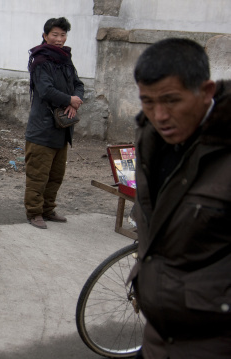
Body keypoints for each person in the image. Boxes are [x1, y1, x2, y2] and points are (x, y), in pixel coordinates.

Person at [130, 38, 231, 358]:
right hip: (159, 335)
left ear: (206, 91)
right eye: (147, 102)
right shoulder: (149, 139)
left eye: (171, 100)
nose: (160, 115)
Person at [24, 17, 84, 229]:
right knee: (38, 175)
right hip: (42, 129)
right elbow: (45, 90)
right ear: (45, 36)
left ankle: (48, 210)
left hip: (62, 129)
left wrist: (75, 101)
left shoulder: (65, 59)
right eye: (55, 35)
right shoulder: (40, 61)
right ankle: (34, 212)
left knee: (56, 175)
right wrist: (68, 100)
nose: (59, 39)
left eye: (63, 35)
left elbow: (78, 83)